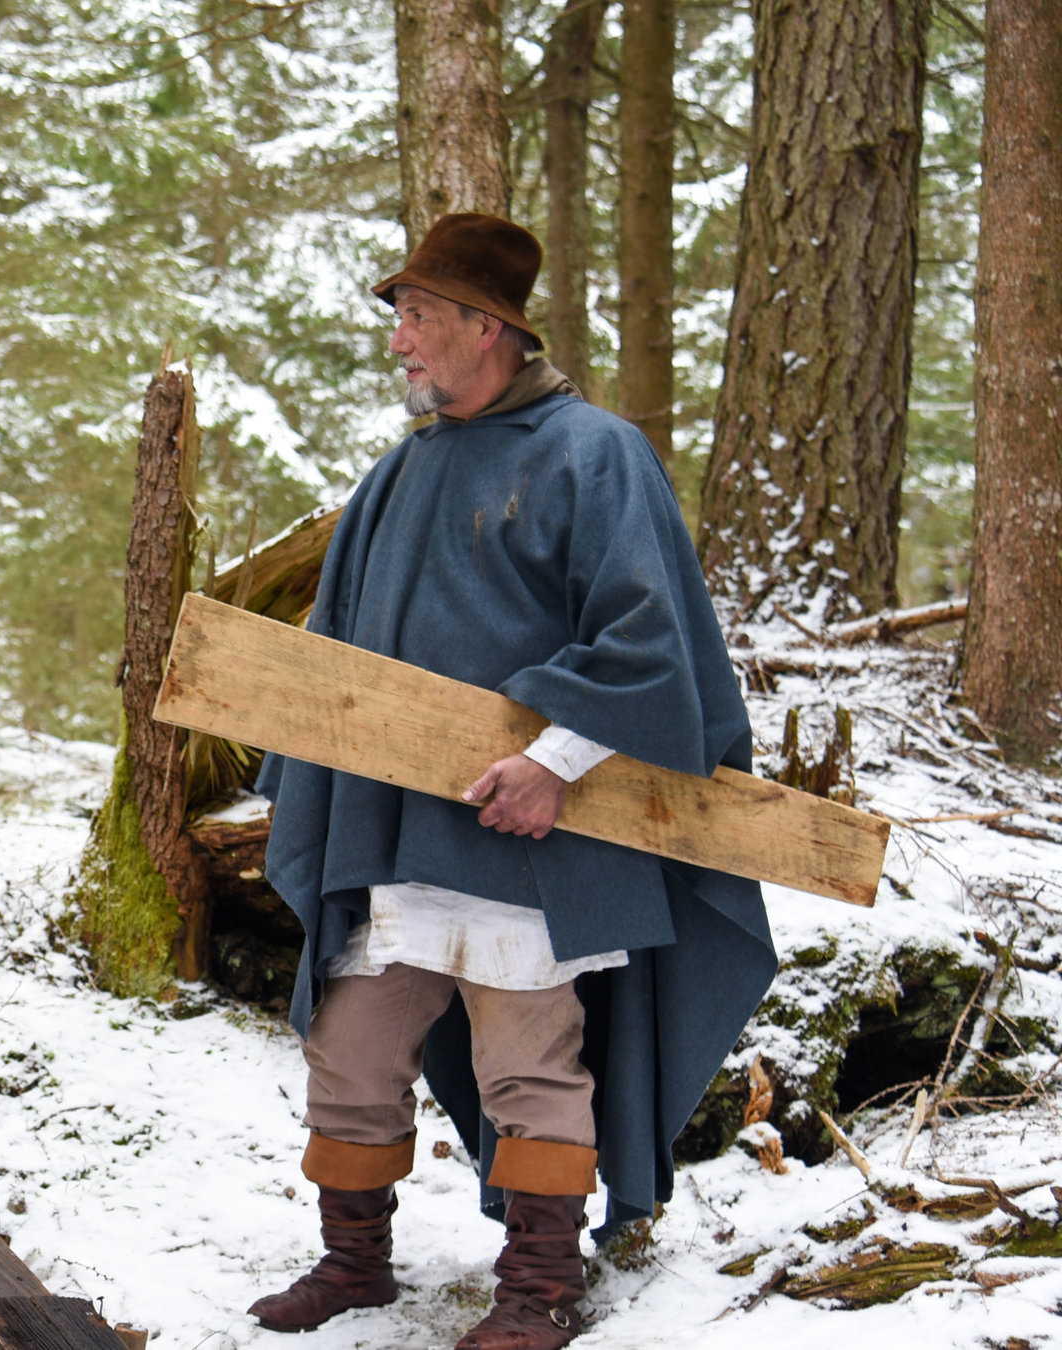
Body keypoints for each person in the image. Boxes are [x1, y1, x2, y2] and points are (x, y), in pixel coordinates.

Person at [247, 213, 775, 1350]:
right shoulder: (404, 472)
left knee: (529, 1059)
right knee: (352, 1047)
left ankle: (541, 1284)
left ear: (488, 328)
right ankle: (354, 1261)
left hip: (535, 839)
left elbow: (650, 643)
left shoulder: (596, 455)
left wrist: (553, 762)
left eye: (419, 318)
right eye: (400, 319)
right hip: (400, 838)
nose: (401, 344)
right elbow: (346, 653)